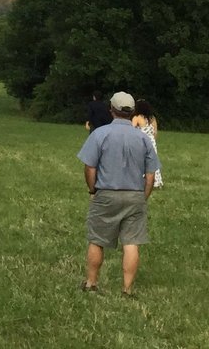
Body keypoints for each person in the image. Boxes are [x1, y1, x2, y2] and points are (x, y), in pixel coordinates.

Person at [77, 90, 159, 296]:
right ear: (132, 112)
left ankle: (91, 284)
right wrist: (143, 196)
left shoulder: (100, 134)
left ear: (111, 110)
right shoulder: (143, 139)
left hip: (106, 193)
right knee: (131, 242)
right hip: (135, 194)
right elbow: (150, 175)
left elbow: (90, 167)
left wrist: (92, 189)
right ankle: (127, 289)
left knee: (97, 239)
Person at [132, 99, 163, 188]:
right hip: (152, 142)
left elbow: (131, 131)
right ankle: (156, 182)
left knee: (140, 162)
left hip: (141, 143)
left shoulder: (136, 118)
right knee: (152, 162)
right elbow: (155, 132)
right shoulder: (152, 118)